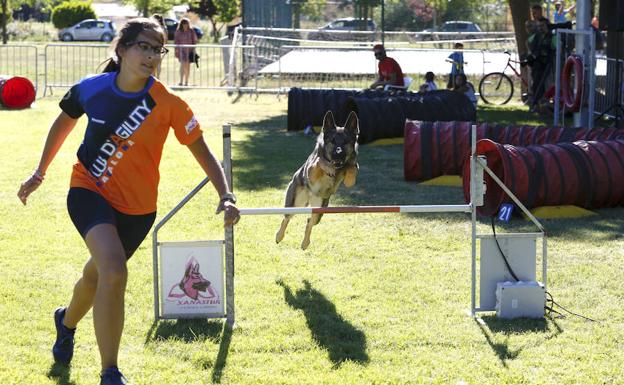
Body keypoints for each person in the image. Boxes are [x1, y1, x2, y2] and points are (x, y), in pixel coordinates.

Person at [16, 18, 240, 385]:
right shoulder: (91, 90)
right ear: (121, 50)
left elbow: (201, 149)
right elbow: (63, 124)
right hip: (89, 189)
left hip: (138, 210)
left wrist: (226, 194)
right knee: (115, 272)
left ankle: (66, 321)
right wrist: (39, 172)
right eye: (144, 47)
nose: (152, 56)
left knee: (97, 274)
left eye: (158, 50)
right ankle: (110, 371)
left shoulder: (168, 103)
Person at [174, 17, 198, 87]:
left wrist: (193, 48)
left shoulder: (191, 31)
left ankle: (186, 81)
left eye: (186, 24)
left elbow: (195, 40)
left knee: (187, 66)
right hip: (181, 50)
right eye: (184, 24)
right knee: (182, 65)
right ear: (181, 24)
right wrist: (176, 50)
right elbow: (176, 41)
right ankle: (181, 81)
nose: (185, 25)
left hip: (189, 50)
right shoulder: (178, 31)